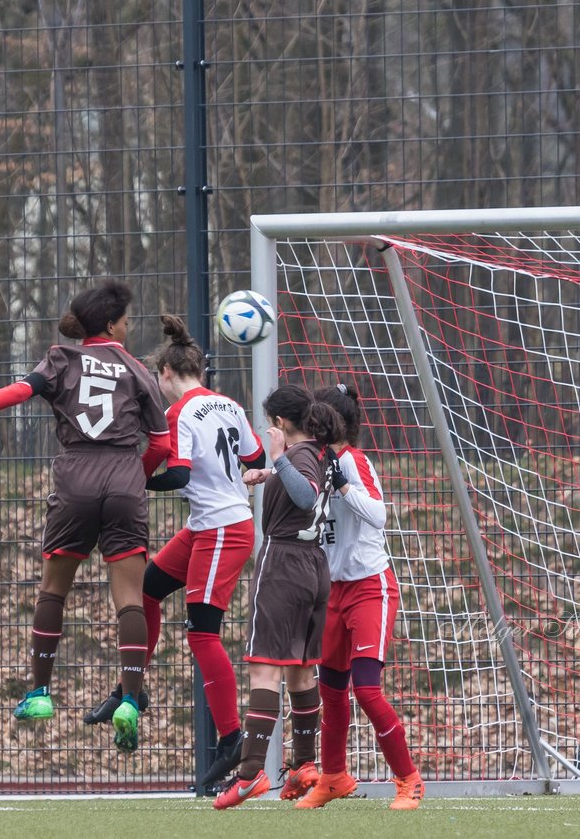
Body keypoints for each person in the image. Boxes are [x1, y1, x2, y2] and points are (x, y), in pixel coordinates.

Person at [0, 279, 170, 754]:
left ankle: (41, 693)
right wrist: (135, 475)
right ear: (111, 324)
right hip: (123, 479)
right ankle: (130, 700)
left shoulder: (59, 360)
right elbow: (163, 445)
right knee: (130, 599)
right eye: (127, 321)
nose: (130, 328)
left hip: (75, 480)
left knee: (54, 590)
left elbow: (17, 391)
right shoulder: (138, 371)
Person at [83, 315, 265, 786]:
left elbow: (179, 474)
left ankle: (230, 739)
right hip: (212, 524)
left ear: (164, 373)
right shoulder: (229, 404)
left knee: (202, 633)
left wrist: (136, 481)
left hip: (222, 530)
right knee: (146, 590)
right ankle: (133, 690)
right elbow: (256, 459)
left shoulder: (180, 413)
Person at [293, 384, 424, 810]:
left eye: (317, 420)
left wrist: (345, 485)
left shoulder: (353, 461)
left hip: (370, 587)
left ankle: (408, 780)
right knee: (330, 691)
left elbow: (381, 516)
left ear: (335, 424)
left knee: (366, 690)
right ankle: (333, 777)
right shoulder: (313, 462)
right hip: (332, 590)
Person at [213, 384, 343, 810]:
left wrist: (276, 459)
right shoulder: (323, 452)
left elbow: (304, 495)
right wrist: (270, 475)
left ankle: (250, 775)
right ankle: (305, 765)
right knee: (302, 673)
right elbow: (307, 484)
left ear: (282, 424)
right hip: (313, 567)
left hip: (283, 564)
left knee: (264, 670)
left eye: (271, 424)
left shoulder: (294, 453)